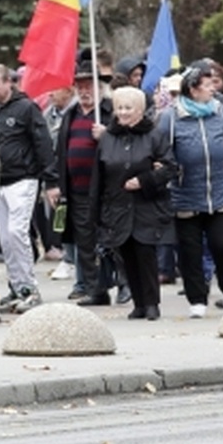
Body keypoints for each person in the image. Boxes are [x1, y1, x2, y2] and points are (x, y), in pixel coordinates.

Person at [162, 64, 223, 317]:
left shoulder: (219, 112)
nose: (214, 87)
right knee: (190, 252)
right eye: (207, 83)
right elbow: (163, 154)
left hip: (221, 193)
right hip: (185, 196)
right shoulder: (171, 117)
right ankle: (197, 299)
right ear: (193, 89)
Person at [93, 88, 176, 320]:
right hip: (117, 205)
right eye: (120, 108)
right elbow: (99, 174)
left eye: (128, 108)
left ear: (140, 110)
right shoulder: (108, 137)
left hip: (146, 205)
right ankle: (138, 303)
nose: (123, 112)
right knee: (125, 255)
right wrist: (98, 210)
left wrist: (144, 180)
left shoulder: (154, 135)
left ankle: (151, 303)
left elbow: (170, 168)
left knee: (145, 254)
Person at [0, 62, 58, 311]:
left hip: (23, 179)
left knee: (17, 232)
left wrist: (51, 180)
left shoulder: (26, 108)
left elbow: (43, 143)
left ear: (8, 82)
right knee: (5, 239)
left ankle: (30, 288)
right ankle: (16, 286)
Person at [56, 61, 114, 305]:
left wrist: (107, 136)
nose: (84, 90)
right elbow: (60, 151)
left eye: (89, 85)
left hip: (107, 190)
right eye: (80, 86)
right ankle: (94, 289)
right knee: (85, 242)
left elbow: (127, 147)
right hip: (77, 190)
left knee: (111, 241)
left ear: (100, 87)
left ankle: (121, 284)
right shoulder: (71, 115)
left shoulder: (111, 113)